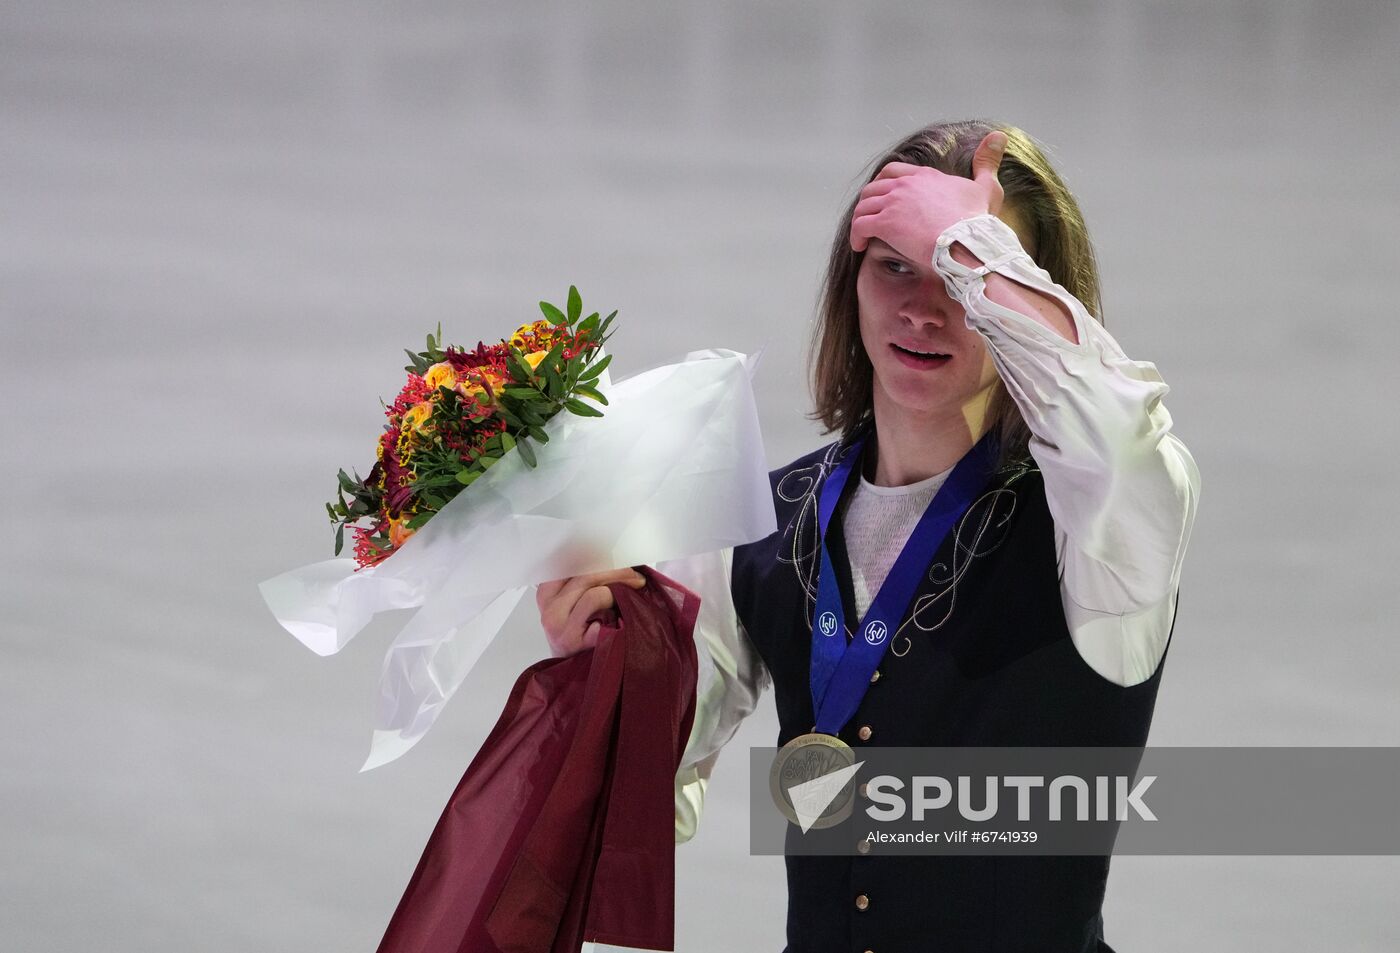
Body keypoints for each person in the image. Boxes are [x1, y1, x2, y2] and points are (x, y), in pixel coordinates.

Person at [536, 119, 1200, 953]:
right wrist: (596, 668)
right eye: (896, 267)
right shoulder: (762, 525)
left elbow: (1124, 434)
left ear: (1027, 292)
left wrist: (970, 246)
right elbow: (640, 805)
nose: (926, 309)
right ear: (851, 284)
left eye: (961, 279)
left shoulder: (1100, 523)